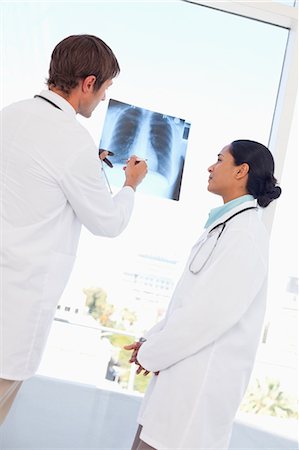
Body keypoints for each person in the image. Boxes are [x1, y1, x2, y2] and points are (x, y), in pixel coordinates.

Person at [0, 34, 147, 425]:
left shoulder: (9, 114)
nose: (102, 100)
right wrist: (131, 184)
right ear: (88, 83)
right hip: (14, 317)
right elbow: (108, 222)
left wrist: (87, 165)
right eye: (105, 89)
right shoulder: (71, 140)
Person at [125, 140, 281, 450]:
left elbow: (206, 317)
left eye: (220, 159)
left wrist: (152, 353)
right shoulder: (226, 227)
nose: (211, 166)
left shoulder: (245, 236)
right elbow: (185, 304)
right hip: (177, 386)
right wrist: (150, 342)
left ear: (242, 171)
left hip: (195, 397)